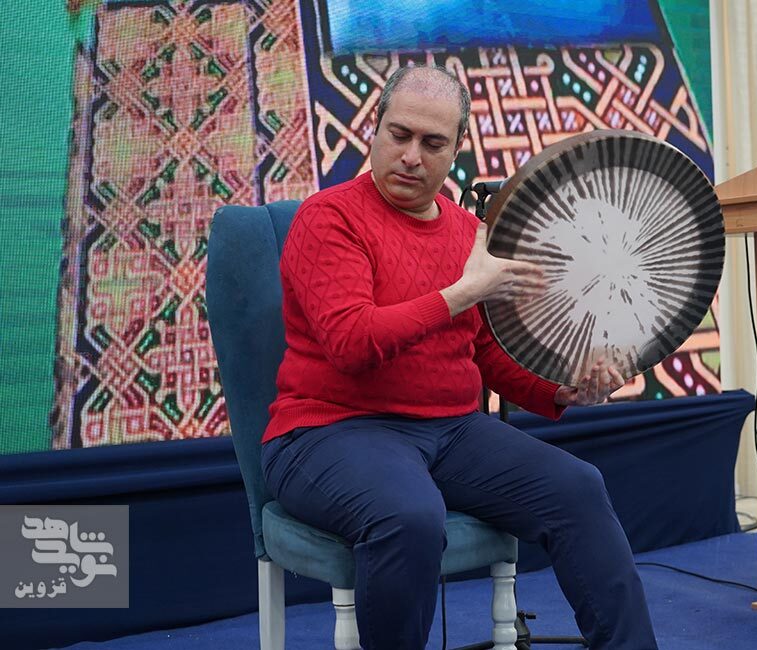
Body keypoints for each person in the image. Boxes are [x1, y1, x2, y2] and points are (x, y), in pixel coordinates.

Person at [260, 65, 658, 649]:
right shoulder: (329, 217)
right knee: (408, 516)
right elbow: (351, 342)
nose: (411, 156)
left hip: (451, 431)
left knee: (578, 487)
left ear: (456, 149)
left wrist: (560, 389)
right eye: (399, 135)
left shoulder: (470, 232)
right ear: (375, 129)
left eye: (432, 143)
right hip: (327, 431)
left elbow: (484, 350)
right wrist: (462, 292)